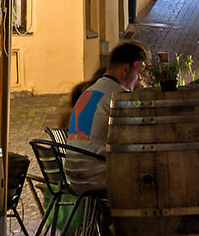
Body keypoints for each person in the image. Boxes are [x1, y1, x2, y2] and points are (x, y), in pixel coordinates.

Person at [62, 41, 145, 190]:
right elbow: (137, 138)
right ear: (125, 70)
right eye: (139, 73)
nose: (140, 79)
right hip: (98, 178)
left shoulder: (88, 91)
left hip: (74, 178)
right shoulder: (118, 98)